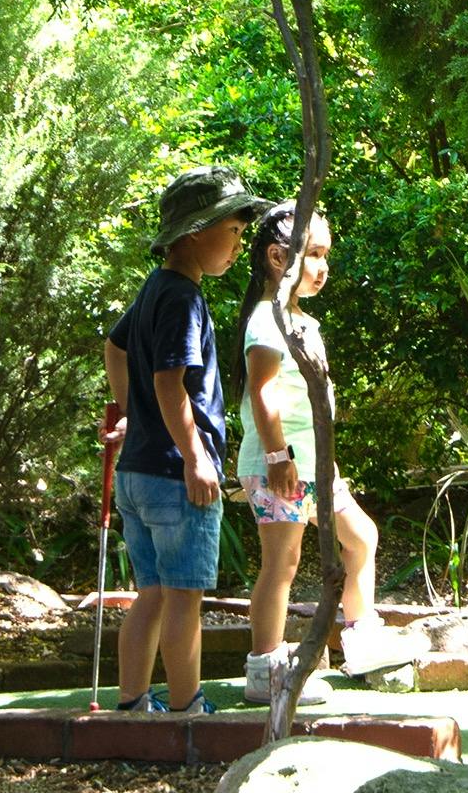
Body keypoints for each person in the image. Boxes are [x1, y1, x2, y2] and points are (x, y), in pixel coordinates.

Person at [100, 167, 269, 712]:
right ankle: (186, 708)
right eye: (234, 233)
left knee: (151, 593)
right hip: (177, 475)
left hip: (137, 473)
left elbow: (116, 347)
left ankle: (131, 704)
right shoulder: (183, 298)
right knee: (184, 598)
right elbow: (170, 380)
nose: (239, 247)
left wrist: (134, 416)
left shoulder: (156, 288)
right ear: (197, 231)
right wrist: (196, 459)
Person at [232, 204, 389, 705]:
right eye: (313, 255)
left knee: (361, 535)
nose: (323, 267)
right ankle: (266, 668)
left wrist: (325, 460)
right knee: (283, 560)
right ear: (279, 258)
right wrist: (278, 456)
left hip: (315, 467)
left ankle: (360, 640)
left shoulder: (303, 321)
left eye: (326, 255)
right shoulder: (267, 319)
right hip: (278, 465)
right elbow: (263, 392)